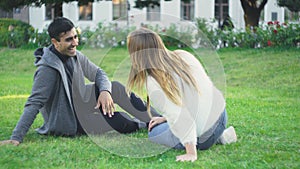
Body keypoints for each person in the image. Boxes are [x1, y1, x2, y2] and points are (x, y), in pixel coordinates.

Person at [0, 17, 158, 146]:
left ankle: (157, 119)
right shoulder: (47, 70)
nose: (75, 43)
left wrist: (104, 91)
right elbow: (33, 103)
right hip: (71, 121)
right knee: (119, 119)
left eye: (75, 37)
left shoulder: (75, 55)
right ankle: (147, 125)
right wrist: (16, 137)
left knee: (115, 87)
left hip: (83, 102)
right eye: (69, 39)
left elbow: (99, 73)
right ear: (55, 42)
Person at [126, 28, 237, 162]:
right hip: (220, 116)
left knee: (154, 133)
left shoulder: (154, 81)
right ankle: (220, 136)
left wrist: (191, 152)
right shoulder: (183, 55)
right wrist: (166, 118)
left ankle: (210, 139)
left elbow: (179, 115)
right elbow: (197, 93)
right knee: (165, 122)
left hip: (203, 136)